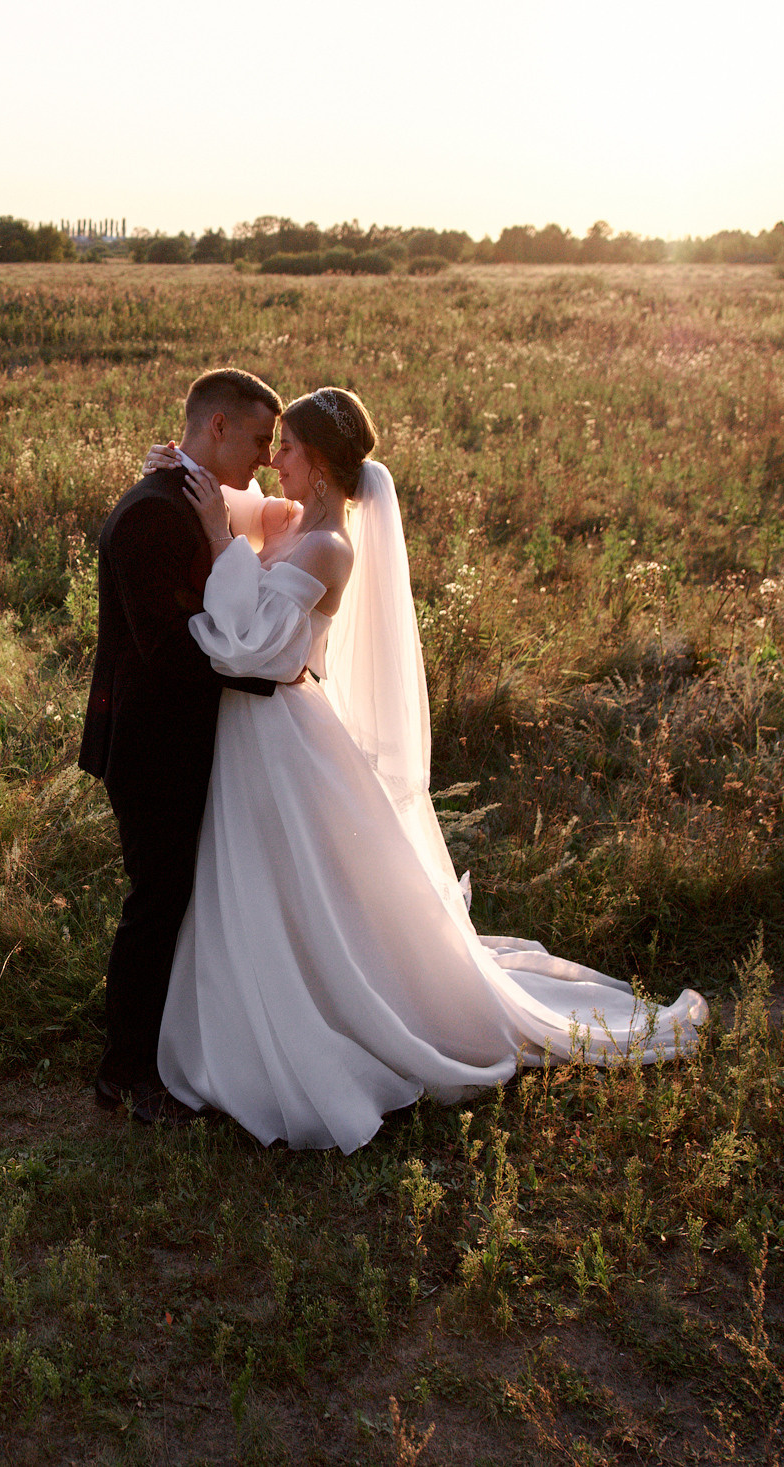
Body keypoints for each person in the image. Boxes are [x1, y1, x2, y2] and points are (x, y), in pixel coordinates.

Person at [144, 387, 709, 1153]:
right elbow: (227, 497)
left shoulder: (328, 548)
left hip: (279, 728)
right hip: (249, 737)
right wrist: (179, 465)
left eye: (289, 448)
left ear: (317, 466)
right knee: (256, 884)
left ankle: (321, 1022)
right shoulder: (286, 520)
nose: (273, 457)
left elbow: (257, 653)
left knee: (292, 886)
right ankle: (245, 1009)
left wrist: (216, 540)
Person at [79, 368, 287, 1124]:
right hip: (148, 742)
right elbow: (165, 648)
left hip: (179, 735)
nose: (266, 457)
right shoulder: (151, 512)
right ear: (219, 428)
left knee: (174, 898)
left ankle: (163, 1052)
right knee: (156, 901)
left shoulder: (193, 496)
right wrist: (267, 675)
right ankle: (122, 1074)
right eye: (260, 439)